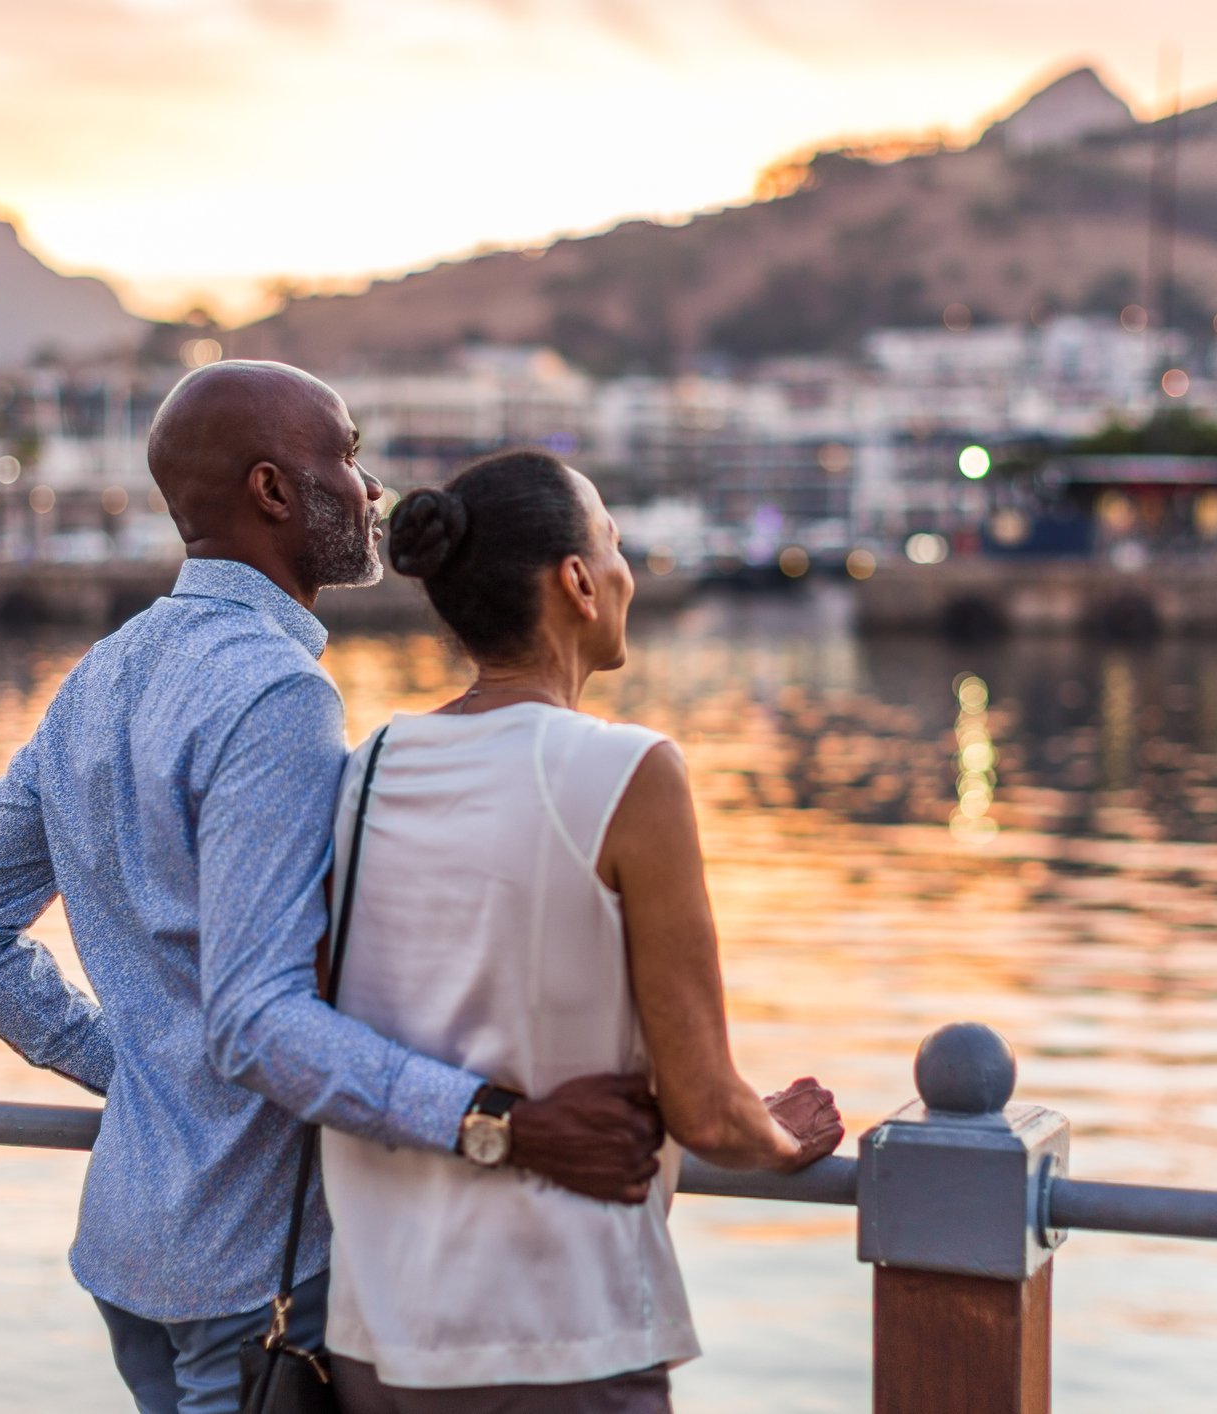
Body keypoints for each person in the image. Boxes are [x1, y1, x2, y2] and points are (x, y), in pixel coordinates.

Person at [0, 364, 665, 1414]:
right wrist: (501, 1123)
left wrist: (140, 1074)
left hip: (129, 1251)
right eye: (346, 457)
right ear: (271, 490)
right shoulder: (276, 695)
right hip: (255, 1279)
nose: (371, 490)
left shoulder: (101, 674)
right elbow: (258, 1021)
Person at [320, 449, 846, 1413]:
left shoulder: (367, 768)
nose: (624, 570)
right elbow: (701, 1106)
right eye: (611, 543)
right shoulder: (628, 771)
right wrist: (775, 1135)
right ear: (575, 583)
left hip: (375, 1334)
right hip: (553, 1335)